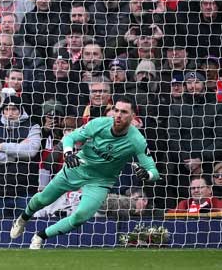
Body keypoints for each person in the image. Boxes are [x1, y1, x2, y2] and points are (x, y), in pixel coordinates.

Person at [10, 96, 160, 249]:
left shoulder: (137, 140)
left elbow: (154, 171)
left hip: (100, 182)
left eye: (124, 112)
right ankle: (22, 219)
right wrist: (68, 153)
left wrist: (147, 174)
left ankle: (40, 236)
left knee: (80, 217)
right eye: (116, 110)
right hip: (78, 167)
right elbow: (72, 137)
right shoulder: (99, 123)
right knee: (43, 199)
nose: (118, 115)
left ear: (133, 116)